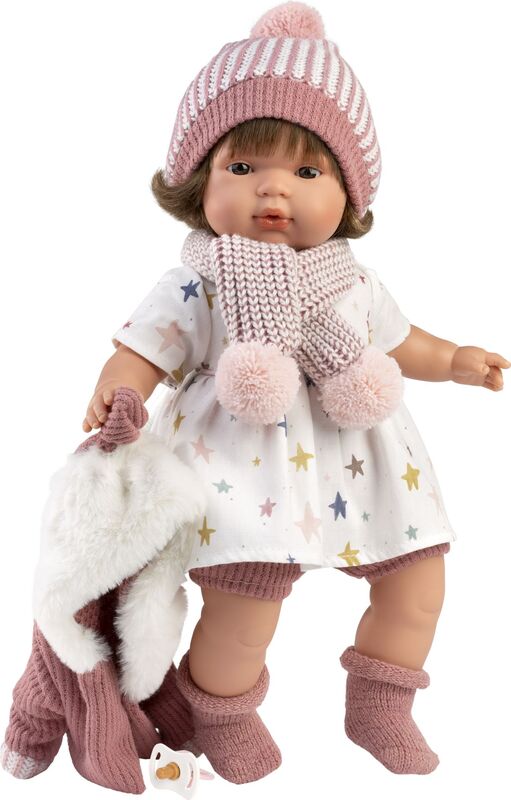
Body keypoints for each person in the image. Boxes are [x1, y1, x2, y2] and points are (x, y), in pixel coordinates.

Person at [82, 1, 509, 784]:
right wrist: (119, 390)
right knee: (244, 612)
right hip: (243, 470)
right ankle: (221, 713)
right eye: (242, 168)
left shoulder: (353, 280)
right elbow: (142, 348)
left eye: (306, 173)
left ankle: (381, 705)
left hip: (367, 465)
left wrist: (452, 360)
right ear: (198, 183)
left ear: (348, 194)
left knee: (417, 586)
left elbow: (399, 342)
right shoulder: (199, 282)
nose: (272, 190)